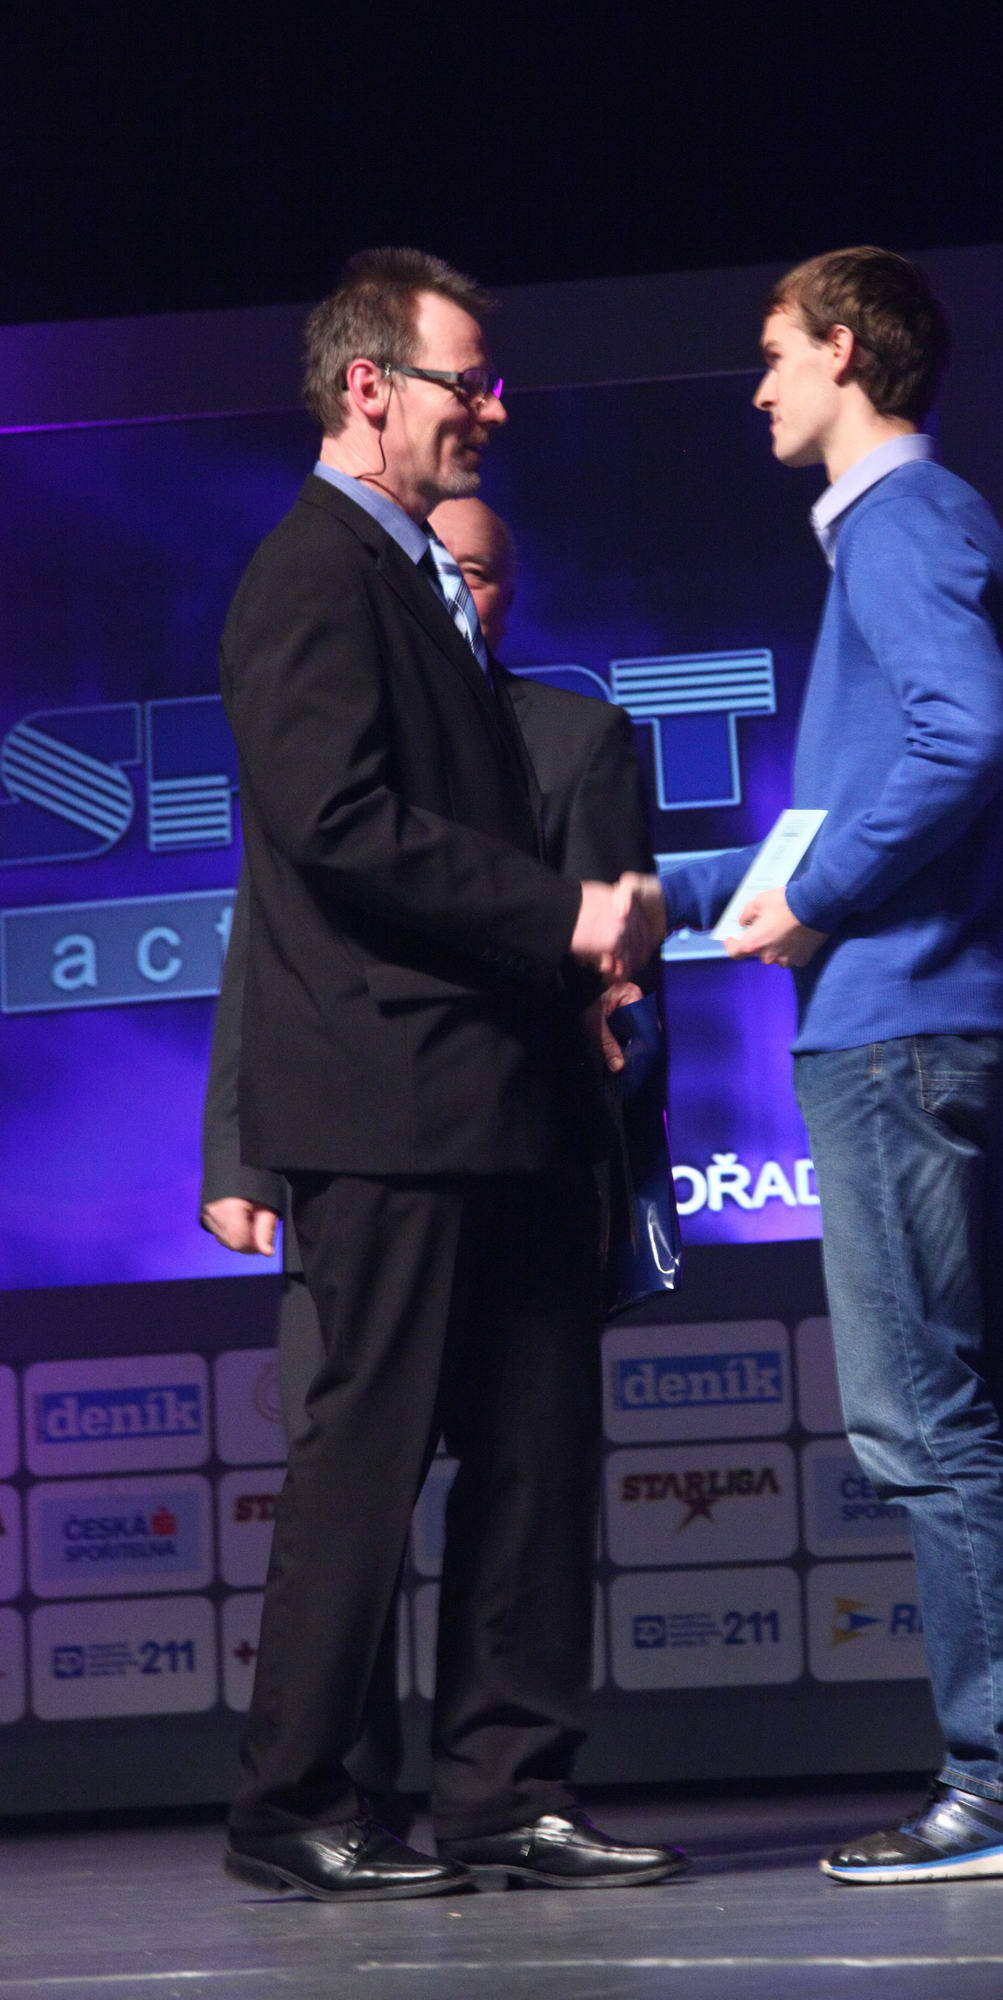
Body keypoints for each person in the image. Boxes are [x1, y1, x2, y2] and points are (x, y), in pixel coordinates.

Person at [217, 246, 678, 1900]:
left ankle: (506, 1792)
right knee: (370, 1456)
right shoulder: (311, 571)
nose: (492, 408)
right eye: (465, 380)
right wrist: (565, 910)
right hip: (389, 1101)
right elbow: (335, 829)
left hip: (507, 1094)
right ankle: (292, 1803)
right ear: (368, 387)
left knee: (537, 1455)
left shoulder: (411, 574)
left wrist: (581, 979)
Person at [636, 247, 1003, 1884]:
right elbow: (841, 816)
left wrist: (816, 896)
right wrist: (673, 894)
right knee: (968, 1416)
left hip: (898, 1027)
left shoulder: (903, 520)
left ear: (842, 350)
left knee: (925, 1423)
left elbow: (961, 746)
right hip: (906, 1017)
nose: (759, 386)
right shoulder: (896, 531)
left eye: (774, 351)